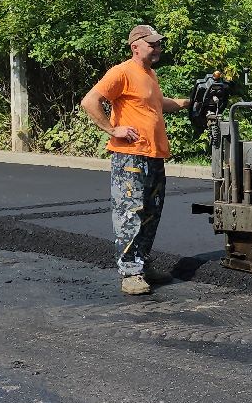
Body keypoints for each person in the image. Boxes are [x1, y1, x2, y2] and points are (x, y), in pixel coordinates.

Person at [81, 24, 189, 296]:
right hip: (130, 157)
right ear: (135, 46)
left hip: (153, 155)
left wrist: (189, 102)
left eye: (159, 44)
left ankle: (142, 264)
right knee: (131, 213)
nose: (158, 49)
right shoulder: (122, 72)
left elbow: (158, 104)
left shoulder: (149, 74)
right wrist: (112, 129)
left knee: (151, 213)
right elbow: (90, 101)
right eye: (152, 44)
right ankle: (129, 273)